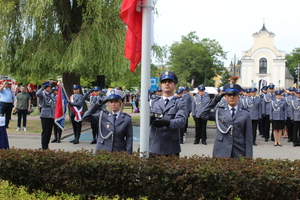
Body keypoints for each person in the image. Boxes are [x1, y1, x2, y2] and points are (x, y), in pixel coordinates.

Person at [200, 83, 253, 158]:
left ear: (238, 97)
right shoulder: (219, 111)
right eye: (229, 95)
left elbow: (248, 137)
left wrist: (249, 156)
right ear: (225, 97)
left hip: (238, 150)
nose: (232, 97)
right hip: (221, 149)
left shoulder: (245, 113)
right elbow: (202, 115)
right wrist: (214, 101)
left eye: (234, 95)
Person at [83, 89, 133, 154]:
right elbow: (86, 117)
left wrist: (129, 154)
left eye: (116, 102)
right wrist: (97, 105)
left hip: (118, 151)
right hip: (102, 150)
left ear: (120, 103)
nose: (113, 104)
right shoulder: (103, 115)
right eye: (111, 102)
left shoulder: (126, 119)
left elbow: (129, 138)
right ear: (108, 104)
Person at [149, 71, 187, 157]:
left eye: (170, 82)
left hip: (171, 147)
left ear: (174, 86)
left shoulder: (180, 103)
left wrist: (168, 122)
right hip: (155, 144)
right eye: (164, 82)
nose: (167, 84)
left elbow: (182, 121)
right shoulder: (154, 102)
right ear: (161, 86)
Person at [36, 81, 55, 150]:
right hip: (45, 114)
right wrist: (42, 87)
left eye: (50, 87)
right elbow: (37, 93)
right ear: (45, 87)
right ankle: (44, 146)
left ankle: (47, 145)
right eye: (49, 87)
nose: (50, 88)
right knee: (46, 131)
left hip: (52, 114)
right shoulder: (42, 93)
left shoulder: (51, 94)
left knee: (49, 131)